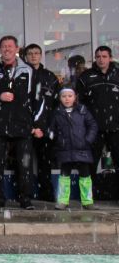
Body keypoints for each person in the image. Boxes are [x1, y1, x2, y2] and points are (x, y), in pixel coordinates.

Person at [0, 35, 44, 210]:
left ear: (17, 49)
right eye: (4, 46)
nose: (7, 49)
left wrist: (37, 124)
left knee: (25, 165)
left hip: (23, 125)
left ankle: (25, 199)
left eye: (10, 46)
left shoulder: (29, 71)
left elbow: (38, 99)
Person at [47, 87, 98, 210]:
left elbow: (93, 125)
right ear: (60, 98)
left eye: (70, 96)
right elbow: (51, 129)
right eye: (64, 96)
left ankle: (87, 201)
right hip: (65, 149)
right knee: (64, 176)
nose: (67, 99)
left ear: (75, 97)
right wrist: (55, 138)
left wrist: (88, 140)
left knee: (85, 176)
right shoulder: (57, 112)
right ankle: (62, 201)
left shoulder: (82, 110)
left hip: (82, 149)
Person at [24, 43, 61, 201]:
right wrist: (30, 126)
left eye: (36, 53)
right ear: (26, 56)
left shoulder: (50, 77)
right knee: (24, 163)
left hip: (44, 127)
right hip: (24, 126)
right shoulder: (21, 74)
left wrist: (47, 126)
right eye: (30, 53)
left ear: (41, 55)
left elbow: (56, 103)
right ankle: (24, 194)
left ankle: (46, 193)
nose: (33, 56)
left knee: (45, 162)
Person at [76, 46, 119, 179]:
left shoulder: (117, 74)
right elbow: (79, 102)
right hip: (94, 128)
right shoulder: (86, 76)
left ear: (110, 58)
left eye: (104, 56)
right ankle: (91, 190)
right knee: (91, 163)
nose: (101, 59)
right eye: (98, 57)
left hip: (116, 127)